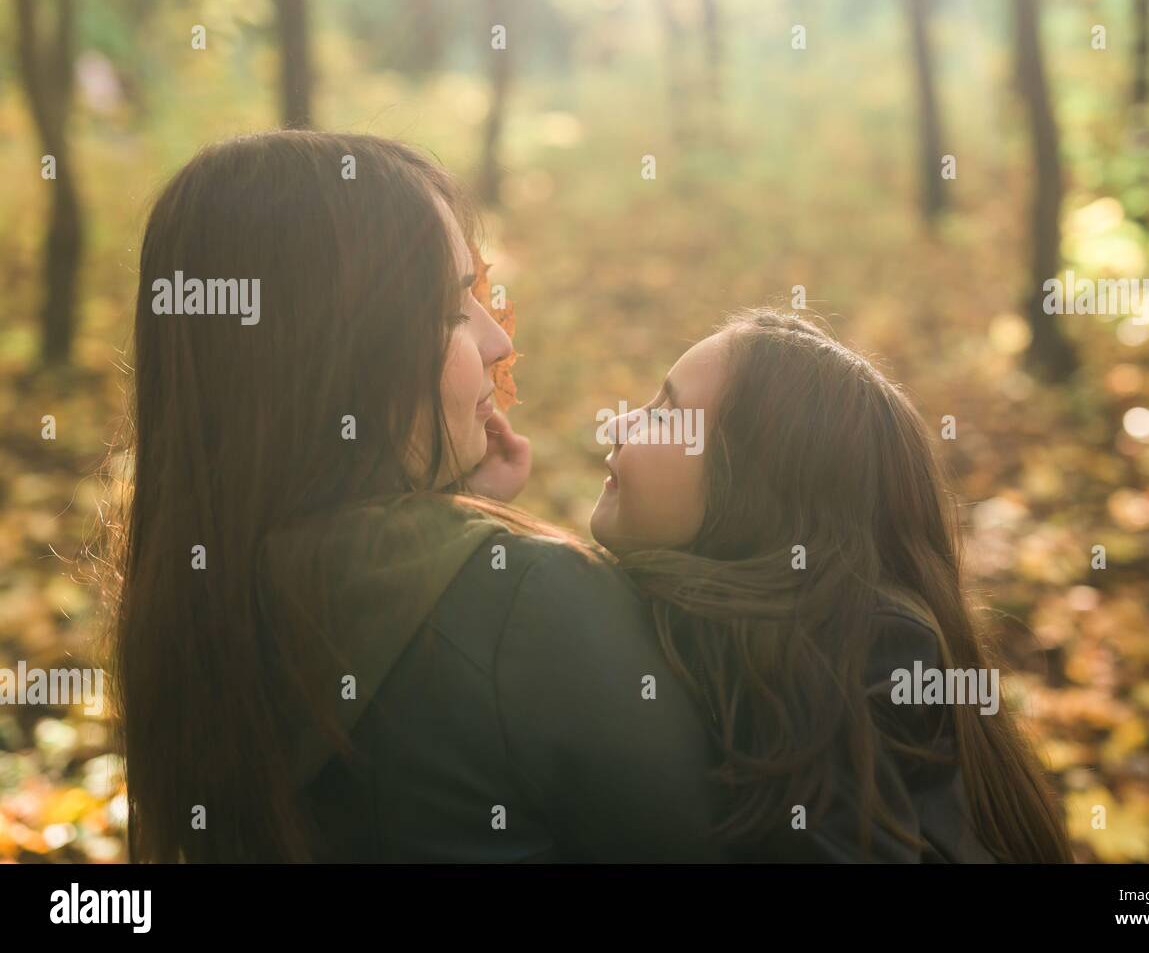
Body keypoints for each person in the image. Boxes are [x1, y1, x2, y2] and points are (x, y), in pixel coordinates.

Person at [104, 131, 723, 862]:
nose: (499, 343)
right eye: (452, 313)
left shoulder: (194, 598)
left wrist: (450, 508)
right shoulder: (530, 606)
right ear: (337, 354)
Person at [590, 310, 1074, 862]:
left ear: (757, 484)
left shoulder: (850, 657)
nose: (617, 426)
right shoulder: (747, 641)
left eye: (665, 415)